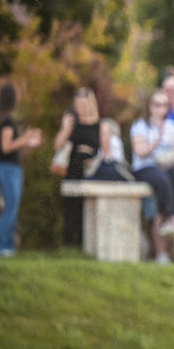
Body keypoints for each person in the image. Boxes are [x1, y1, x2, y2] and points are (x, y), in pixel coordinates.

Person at [131, 91, 174, 263]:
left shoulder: (171, 126)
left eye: (163, 105)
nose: (160, 109)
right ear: (150, 107)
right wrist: (157, 141)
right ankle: (173, 223)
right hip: (145, 168)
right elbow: (140, 152)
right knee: (164, 183)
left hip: (165, 168)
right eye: (156, 104)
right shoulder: (141, 126)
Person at [0, 84, 42, 256]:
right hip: (7, 168)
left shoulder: (3, 119)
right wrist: (24, 139)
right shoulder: (6, 122)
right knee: (10, 207)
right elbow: (6, 147)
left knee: (13, 207)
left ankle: (8, 246)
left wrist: (26, 141)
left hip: (11, 167)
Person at [54, 88, 107, 247]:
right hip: (73, 170)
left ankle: (87, 245)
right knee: (71, 209)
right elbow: (57, 146)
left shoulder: (100, 126)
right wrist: (64, 128)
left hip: (91, 172)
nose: (81, 108)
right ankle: (70, 245)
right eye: (78, 104)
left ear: (91, 104)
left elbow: (106, 152)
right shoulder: (72, 123)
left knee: (89, 209)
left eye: (84, 104)